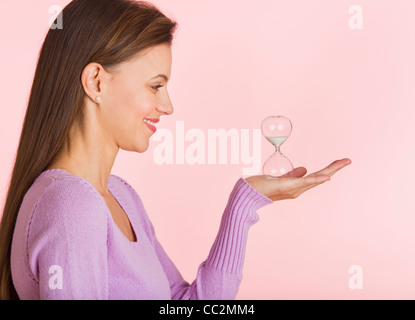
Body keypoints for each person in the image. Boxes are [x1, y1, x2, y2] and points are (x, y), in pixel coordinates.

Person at [0, 0, 351, 300]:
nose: (167, 107)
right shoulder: (71, 204)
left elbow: (185, 303)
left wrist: (244, 203)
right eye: (155, 86)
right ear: (96, 82)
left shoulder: (121, 197)